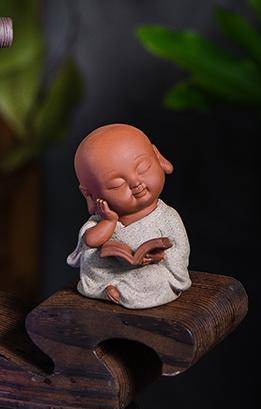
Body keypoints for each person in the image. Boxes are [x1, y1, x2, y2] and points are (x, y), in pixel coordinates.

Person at [67, 123, 190, 308]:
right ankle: (107, 288)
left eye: (143, 168)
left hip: (149, 271)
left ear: (158, 157)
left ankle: (121, 289)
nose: (135, 183)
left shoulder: (168, 217)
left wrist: (158, 258)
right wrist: (109, 221)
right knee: (91, 258)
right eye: (117, 184)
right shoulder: (101, 220)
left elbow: (180, 251)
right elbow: (90, 242)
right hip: (109, 272)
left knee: (154, 277)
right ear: (90, 194)